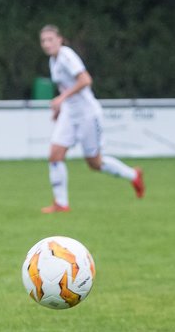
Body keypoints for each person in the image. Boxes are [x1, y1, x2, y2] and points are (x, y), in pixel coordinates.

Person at [38, 25, 145, 212]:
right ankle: (61, 203)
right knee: (55, 154)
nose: (46, 44)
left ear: (60, 39)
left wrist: (61, 99)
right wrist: (60, 107)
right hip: (70, 114)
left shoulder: (66, 56)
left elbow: (85, 80)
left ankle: (133, 175)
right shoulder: (53, 61)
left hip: (88, 114)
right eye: (43, 41)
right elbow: (66, 88)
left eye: (50, 39)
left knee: (95, 163)